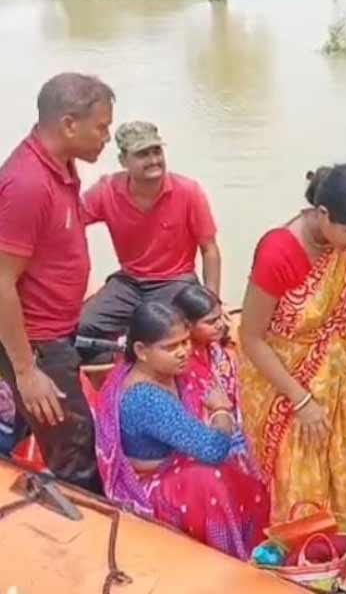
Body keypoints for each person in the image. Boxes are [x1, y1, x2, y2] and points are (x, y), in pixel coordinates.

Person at [238, 163, 346, 523]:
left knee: (345, 460)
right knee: (301, 474)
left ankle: (342, 533)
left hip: (336, 367)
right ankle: (302, 546)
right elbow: (251, 337)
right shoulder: (279, 252)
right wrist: (301, 399)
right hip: (283, 377)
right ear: (323, 214)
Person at [0, 73, 115, 493]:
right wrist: (27, 372)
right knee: (77, 455)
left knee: (35, 435)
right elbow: (2, 282)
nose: (107, 137)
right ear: (69, 124)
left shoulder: (61, 167)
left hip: (59, 333)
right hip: (38, 345)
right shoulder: (27, 183)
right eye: (101, 127)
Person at [94, 302, 269, 559]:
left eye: (185, 342)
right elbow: (213, 449)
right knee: (213, 479)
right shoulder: (145, 398)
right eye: (170, 347)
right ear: (141, 350)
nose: (183, 352)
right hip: (156, 485)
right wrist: (221, 410)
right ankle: (231, 557)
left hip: (177, 461)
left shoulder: (166, 370)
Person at [77, 121, 221, 362]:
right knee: (83, 328)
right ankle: (117, 370)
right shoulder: (106, 190)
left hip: (176, 280)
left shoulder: (188, 191)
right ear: (123, 161)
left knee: (166, 333)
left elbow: (209, 249)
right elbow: (67, 224)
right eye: (143, 154)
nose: (154, 160)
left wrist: (211, 303)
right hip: (129, 281)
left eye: (157, 152)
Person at [171, 284, 257, 474]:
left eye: (219, 317)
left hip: (237, 433)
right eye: (210, 321)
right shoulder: (179, 362)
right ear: (187, 325)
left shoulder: (220, 349)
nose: (219, 324)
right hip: (205, 445)